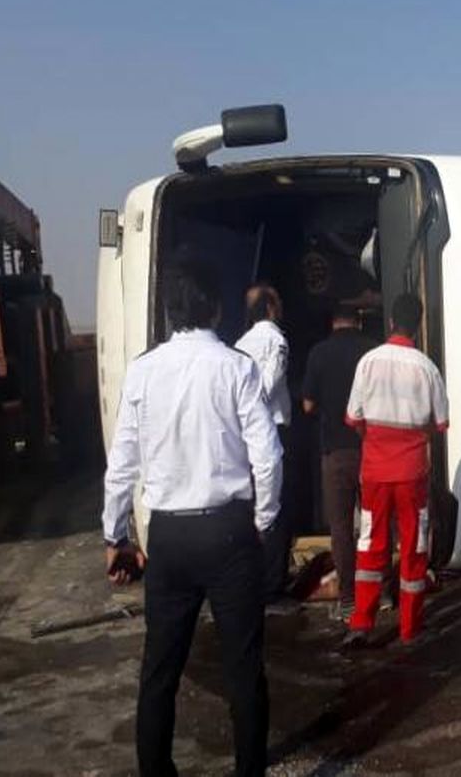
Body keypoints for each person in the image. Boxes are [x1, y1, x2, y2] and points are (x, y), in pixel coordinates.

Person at [102, 260, 281, 776]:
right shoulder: (237, 367)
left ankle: (156, 771)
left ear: (168, 311)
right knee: (244, 666)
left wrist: (116, 536)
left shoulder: (143, 370)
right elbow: (267, 457)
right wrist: (264, 523)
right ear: (216, 309)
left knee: (160, 667)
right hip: (228, 530)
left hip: (170, 536)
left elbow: (122, 465)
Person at [342, 293, 448, 648]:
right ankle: (409, 628)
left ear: (390, 323)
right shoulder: (427, 369)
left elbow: (353, 418)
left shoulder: (367, 363)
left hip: (373, 474)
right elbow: (440, 424)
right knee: (414, 548)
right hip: (412, 475)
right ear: (417, 326)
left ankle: (361, 623)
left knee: (371, 545)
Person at [300, 303, 376, 625]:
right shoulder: (373, 351)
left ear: (333, 322)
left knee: (342, 528)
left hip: (336, 452)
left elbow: (307, 405)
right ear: (358, 321)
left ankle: (348, 599)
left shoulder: (319, 353)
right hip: (371, 449)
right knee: (374, 524)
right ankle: (380, 591)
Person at [234, 283, 295, 611]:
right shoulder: (276, 340)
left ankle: (254, 580)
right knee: (276, 509)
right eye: (279, 301)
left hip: (245, 435)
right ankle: (273, 588)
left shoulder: (239, 344)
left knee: (253, 506)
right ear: (270, 307)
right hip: (272, 431)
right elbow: (268, 387)